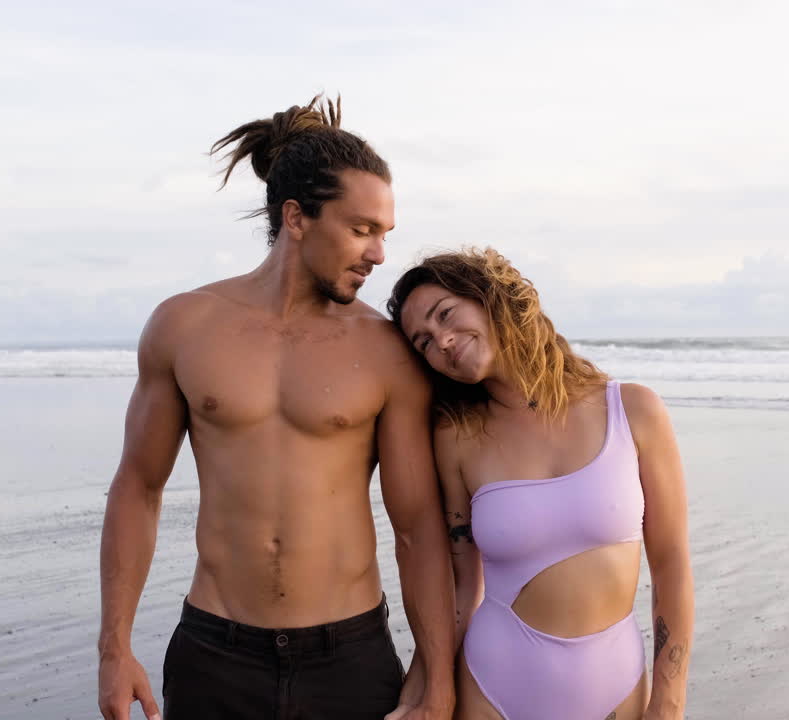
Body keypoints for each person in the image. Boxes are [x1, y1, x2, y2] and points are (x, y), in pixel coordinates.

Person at [96, 95, 456, 720]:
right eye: (361, 229)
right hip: (215, 651)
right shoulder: (185, 326)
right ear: (296, 217)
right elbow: (138, 488)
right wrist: (114, 647)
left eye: (384, 234)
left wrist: (440, 677)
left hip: (349, 655)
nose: (378, 254)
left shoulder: (386, 351)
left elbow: (418, 525)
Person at [386, 248, 694, 720]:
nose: (442, 341)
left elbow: (671, 564)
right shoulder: (457, 438)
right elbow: (461, 585)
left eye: (445, 315)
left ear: (489, 298)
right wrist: (424, 688)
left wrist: (669, 702)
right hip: (494, 682)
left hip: (614, 682)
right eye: (423, 342)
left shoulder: (633, 411)